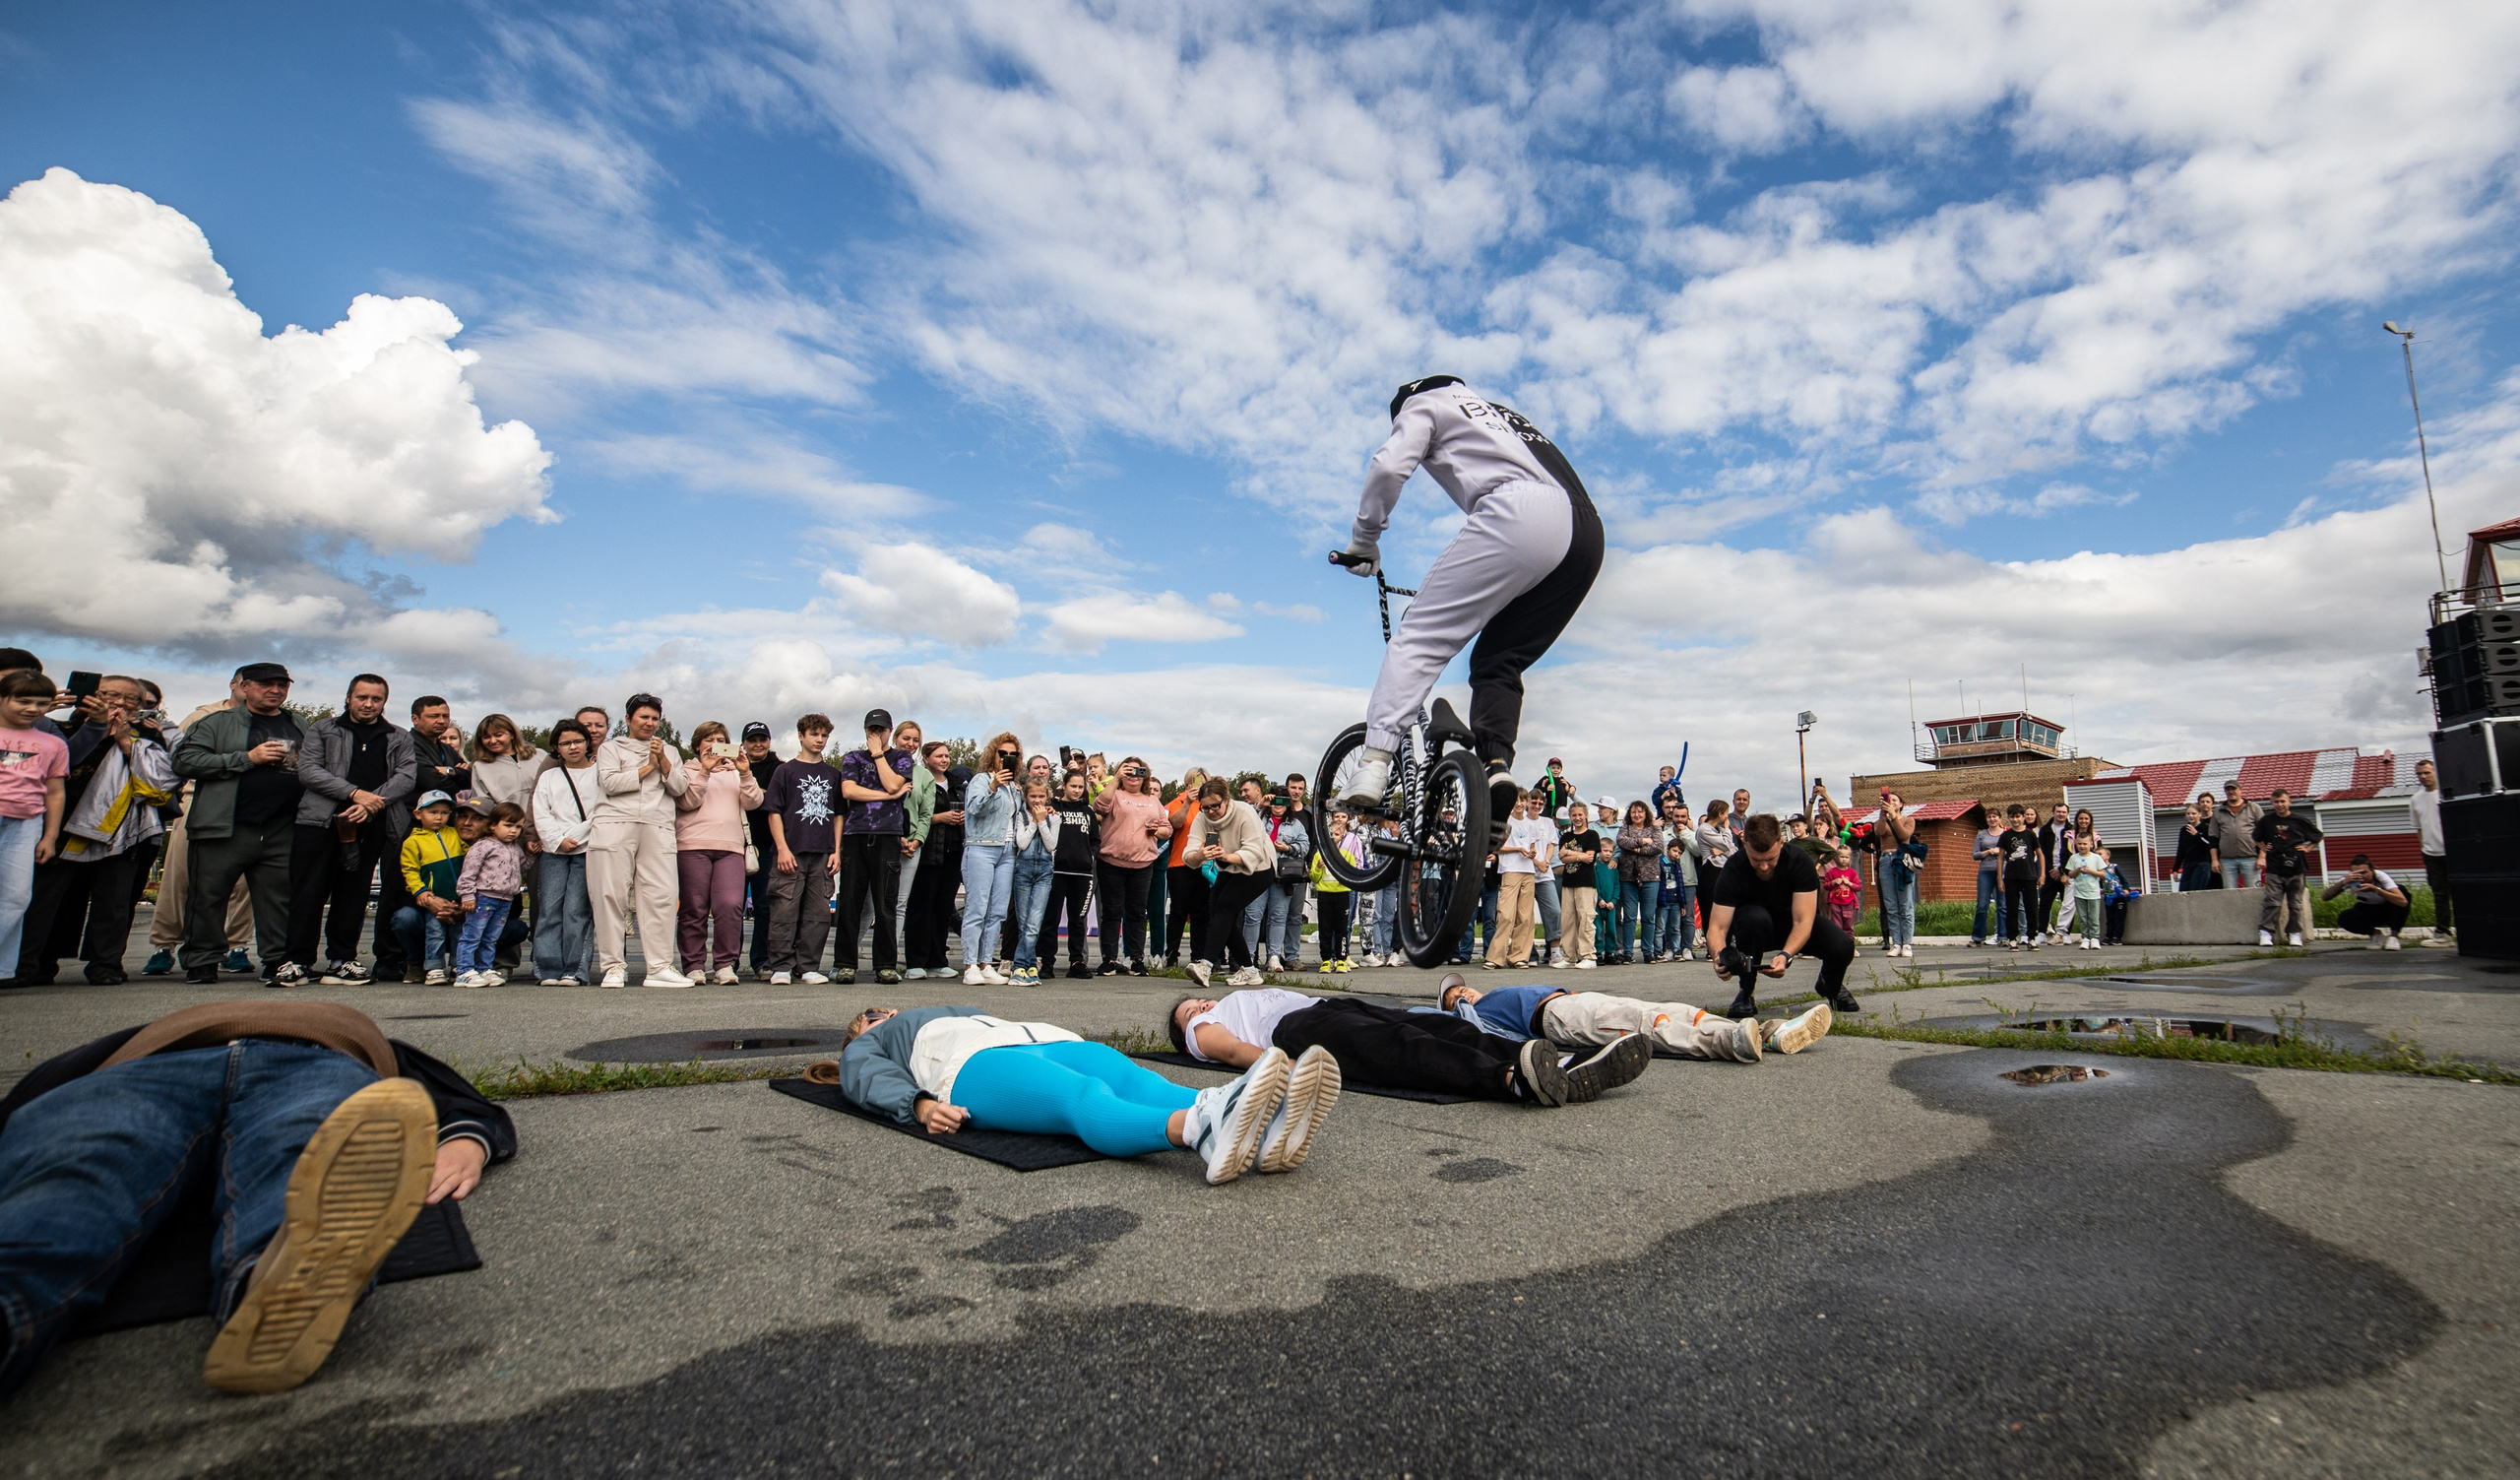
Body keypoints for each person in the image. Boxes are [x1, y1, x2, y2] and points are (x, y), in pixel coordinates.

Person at [0, 999, 514, 1396]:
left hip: (312, 1063)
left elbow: (441, 1092)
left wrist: (468, 1137)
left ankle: (273, 1281)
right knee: (82, 1161)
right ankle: (11, 1298)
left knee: (304, 1148)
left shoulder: (368, 1039)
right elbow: (43, 1098)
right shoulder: (131, 1042)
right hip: (150, 1069)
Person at [1334, 377, 1605, 842]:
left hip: (1524, 512)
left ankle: (1374, 762)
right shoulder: (1502, 415)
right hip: (1586, 534)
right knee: (1500, 660)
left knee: (1420, 634)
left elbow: (1388, 466)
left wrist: (1365, 540)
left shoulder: (1426, 405)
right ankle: (1495, 768)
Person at [837, 1004, 1334, 1185]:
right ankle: (1199, 1131)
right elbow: (863, 1076)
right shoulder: (872, 1044)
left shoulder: (937, 1009)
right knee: (1082, 1095)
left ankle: (1262, 1123)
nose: (886, 1012)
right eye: (873, 1015)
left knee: (1144, 1082)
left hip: (1040, 1037)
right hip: (969, 1068)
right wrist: (919, 1105)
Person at [1172, 986, 1648, 1106]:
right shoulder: (1202, 1029)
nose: (1199, 1004)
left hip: (1328, 1006)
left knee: (1442, 1027)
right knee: (1400, 1046)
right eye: (1190, 1008)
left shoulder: (1227, 998)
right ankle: (1512, 1080)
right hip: (1293, 1030)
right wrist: (1293, 1067)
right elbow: (1234, 1053)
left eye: (1197, 1000)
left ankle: (1561, 1064)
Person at [15, 675, 174, 987]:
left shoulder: (147, 739)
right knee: (46, 903)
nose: (119, 702)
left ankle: (106, 965)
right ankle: (35, 965)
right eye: (111, 694)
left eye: (131, 699)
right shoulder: (60, 730)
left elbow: (161, 786)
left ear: (141, 706)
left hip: (122, 834)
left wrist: (127, 744)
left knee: (113, 904)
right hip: (60, 829)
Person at [170, 662, 304, 986]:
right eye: (265, 684)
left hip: (281, 826)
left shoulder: (299, 724)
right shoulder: (216, 722)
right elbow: (184, 760)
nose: (275, 690)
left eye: (281, 684)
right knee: (208, 896)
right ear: (244, 687)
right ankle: (203, 962)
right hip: (224, 825)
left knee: (278, 899)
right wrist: (248, 758)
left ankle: (276, 961)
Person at [277, 676, 415, 989]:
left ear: (384, 702)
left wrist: (370, 805)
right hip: (320, 821)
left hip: (372, 824)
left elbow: (406, 777)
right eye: (362, 697)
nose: (368, 704)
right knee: (308, 892)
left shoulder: (398, 736)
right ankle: (297, 961)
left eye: (376, 699)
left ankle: (342, 960)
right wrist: (355, 794)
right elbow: (309, 770)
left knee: (353, 894)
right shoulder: (323, 729)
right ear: (349, 697)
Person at [142, 676, 257, 977]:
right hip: (197, 799)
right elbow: (177, 761)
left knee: (243, 882)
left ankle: (236, 946)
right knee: (180, 876)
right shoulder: (201, 716)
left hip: (246, 805)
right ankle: (163, 945)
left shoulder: (267, 722)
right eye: (247, 683)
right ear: (235, 684)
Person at [1703, 813, 1862, 1021]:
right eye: (1756, 860)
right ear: (1745, 843)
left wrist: (1786, 955)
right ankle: (1746, 992)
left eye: (1770, 859)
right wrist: (1718, 956)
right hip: (1755, 928)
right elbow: (1717, 927)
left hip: (1795, 925)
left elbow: (1803, 920)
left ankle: (1830, 985)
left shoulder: (1799, 861)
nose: (1763, 867)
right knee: (1754, 918)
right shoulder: (1733, 867)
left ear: (1781, 842)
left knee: (1843, 945)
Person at [1439, 977, 1829, 1062]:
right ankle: (1729, 1043)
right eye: (1455, 998)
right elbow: (1460, 1024)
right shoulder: (1478, 1014)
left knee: (1672, 1009)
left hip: (1573, 1001)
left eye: (1462, 989)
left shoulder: (1490, 994)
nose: (1464, 993)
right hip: (1556, 1019)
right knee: (1644, 1023)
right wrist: (1458, 1010)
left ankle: (1769, 1034)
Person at [590, 692, 694, 989]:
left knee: (661, 895)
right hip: (614, 823)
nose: (649, 723)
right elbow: (610, 784)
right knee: (610, 895)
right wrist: (647, 767)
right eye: (643, 717)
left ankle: (659, 966)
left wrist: (661, 760)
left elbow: (679, 787)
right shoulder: (611, 748)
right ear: (628, 719)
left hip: (657, 825)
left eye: (655, 719)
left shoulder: (670, 751)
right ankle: (613, 967)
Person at [672, 721, 765, 984]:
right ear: (698, 744)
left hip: (731, 848)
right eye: (708, 739)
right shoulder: (687, 770)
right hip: (692, 846)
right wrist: (704, 770)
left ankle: (725, 964)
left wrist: (746, 773)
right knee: (694, 908)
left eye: (720, 739)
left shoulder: (735, 772)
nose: (714, 744)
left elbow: (754, 801)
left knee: (730, 905)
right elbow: (687, 801)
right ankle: (694, 965)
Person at [833, 709, 914, 987]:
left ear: (890, 730)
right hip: (856, 834)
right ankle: (844, 963)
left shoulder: (901, 758)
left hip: (888, 834)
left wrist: (878, 755)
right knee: (849, 902)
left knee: (885, 903)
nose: (876, 734)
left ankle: (885, 965)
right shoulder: (853, 757)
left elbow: (894, 782)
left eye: (881, 729)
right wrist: (888, 795)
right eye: (872, 730)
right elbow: (849, 791)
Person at [0, 671, 71, 986]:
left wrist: (50, 837)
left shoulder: (53, 743)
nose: (33, 708)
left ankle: (3, 970)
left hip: (27, 824)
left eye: (42, 703)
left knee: (17, 898)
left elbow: (55, 792)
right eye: (23, 700)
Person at [761, 714, 840, 987]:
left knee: (818, 915)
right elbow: (773, 812)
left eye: (824, 735)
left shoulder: (833, 774)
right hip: (791, 852)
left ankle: (808, 967)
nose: (819, 740)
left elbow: (840, 815)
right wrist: (782, 849)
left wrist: (836, 850)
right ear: (801, 736)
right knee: (784, 911)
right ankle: (780, 966)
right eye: (814, 734)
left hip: (823, 853)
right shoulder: (785, 771)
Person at [1182, 780, 1277, 989]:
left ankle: (1205, 965)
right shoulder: (1202, 818)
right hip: (1228, 867)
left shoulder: (1244, 812)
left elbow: (1254, 852)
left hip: (1260, 867)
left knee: (1226, 906)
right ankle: (1250, 971)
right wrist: (1199, 855)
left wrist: (1226, 855)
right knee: (1218, 914)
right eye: (1205, 807)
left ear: (1226, 799)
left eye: (1215, 806)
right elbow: (1188, 855)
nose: (1210, 812)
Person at [530, 719, 599, 985]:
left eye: (577, 741)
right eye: (565, 743)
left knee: (576, 911)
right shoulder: (549, 776)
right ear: (556, 748)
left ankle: (574, 969)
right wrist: (558, 840)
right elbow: (541, 811)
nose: (572, 747)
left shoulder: (599, 774)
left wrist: (575, 837)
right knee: (549, 909)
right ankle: (547, 969)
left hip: (587, 849)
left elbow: (600, 811)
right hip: (553, 851)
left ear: (587, 743)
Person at [1090, 756, 1171, 977]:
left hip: (1142, 864)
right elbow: (1099, 806)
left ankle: (1136, 959)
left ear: (1145, 775)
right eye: (1129, 772)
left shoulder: (1152, 800)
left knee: (1137, 913)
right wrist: (1115, 780)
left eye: (1139, 772)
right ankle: (1109, 959)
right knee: (1112, 912)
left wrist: (1157, 831)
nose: (1134, 777)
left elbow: (1167, 829)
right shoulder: (1114, 794)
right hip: (1112, 862)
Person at [958, 732, 1023, 987]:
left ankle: (985, 963)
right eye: (1002, 753)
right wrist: (993, 786)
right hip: (981, 847)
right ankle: (969, 965)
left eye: (1012, 755)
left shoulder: (1015, 787)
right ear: (993, 755)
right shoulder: (980, 780)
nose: (1007, 758)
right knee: (977, 907)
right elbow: (974, 809)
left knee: (996, 911)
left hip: (1008, 850)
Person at [901, 740, 968, 981]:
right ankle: (916, 961)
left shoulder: (957, 785)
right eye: (939, 756)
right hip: (927, 849)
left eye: (947, 756)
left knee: (943, 907)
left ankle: (938, 960)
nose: (944, 760)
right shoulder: (921, 780)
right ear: (926, 758)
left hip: (953, 851)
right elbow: (921, 814)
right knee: (921, 906)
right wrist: (941, 818)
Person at [392, 792, 466, 983]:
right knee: (435, 932)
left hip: (457, 896)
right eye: (433, 812)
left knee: (460, 932)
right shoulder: (413, 841)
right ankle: (433, 968)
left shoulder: (454, 834)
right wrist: (421, 891)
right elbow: (410, 870)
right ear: (418, 814)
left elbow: (469, 855)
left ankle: (460, 966)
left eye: (444, 813)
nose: (439, 817)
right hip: (433, 897)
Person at [453, 802, 529, 986]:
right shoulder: (483, 846)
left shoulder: (515, 849)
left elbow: (524, 866)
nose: (513, 831)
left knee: (491, 937)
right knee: (473, 934)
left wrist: (532, 854)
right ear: (493, 825)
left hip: (505, 899)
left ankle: (484, 967)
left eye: (518, 827)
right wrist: (467, 895)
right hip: (483, 897)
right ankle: (463, 970)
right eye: (508, 825)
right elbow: (468, 873)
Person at [2252, 788, 2322, 948]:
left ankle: (2294, 933)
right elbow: (2256, 837)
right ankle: (2266, 932)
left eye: (2282, 801)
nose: (2280, 805)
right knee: (2273, 901)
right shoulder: (2266, 821)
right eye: (2276, 802)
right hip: (2274, 868)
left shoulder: (2299, 820)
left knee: (2295, 904)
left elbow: (2318, 836)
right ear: (2272, 803)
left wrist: (2308, 848)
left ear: (2289, 802)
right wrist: (2264, 848)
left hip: (2296, 867)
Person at [1246, 792, 1307, 972]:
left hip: (1282, 876)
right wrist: (1261, 805)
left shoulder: (1296, 825)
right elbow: (1245, 820)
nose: (1278, 805)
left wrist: (1288, 848)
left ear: (1288, 804)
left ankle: (1273, 957)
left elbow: (1305, 845)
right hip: (1258, 872)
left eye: (1282, 801)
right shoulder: (1259, 819)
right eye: (1274, 801)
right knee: (1252, 916)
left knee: (1278, 917)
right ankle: (1248, 957)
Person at [739, 723, 783, 974]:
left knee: (765, 906)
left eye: (762, 739)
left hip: (767, 845)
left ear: (769, 741)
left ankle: (760, 961)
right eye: (752, 739)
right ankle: (729, 962)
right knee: (732, 906)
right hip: (735, 843)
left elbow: (778, 800)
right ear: (743, 743)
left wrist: (754, 793)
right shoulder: (730, 766)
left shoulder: (780, 769)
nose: (758, 744)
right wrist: (760, 793)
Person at [1482, 792, 1544, 968]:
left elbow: (1532, 848)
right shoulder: (1505, 822)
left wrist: (1532, 853)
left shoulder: (1531, 824)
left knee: (1525, 917)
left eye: (1522, 800)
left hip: (1528, 871)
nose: (1519, 803)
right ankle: (1495, 958)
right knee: (1506, 915)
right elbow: (1498, 848)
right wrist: (1518, 849)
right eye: (1516, 800)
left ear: (1527, 803)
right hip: (1510, 870)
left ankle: (1518, 957)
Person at [1007, 778, 1059, 986]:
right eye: (1032, 796)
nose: (1037, 800)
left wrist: (1042, 821)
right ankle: (1027, 966)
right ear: (1025, 797)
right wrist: (1034, 822)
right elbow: (1021, 842)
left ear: (1047, 797)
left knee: (1034, 923)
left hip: (1044, 872)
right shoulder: (1021, 816)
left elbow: (1051, 845)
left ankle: (1019, 965)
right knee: (1023, 922)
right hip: (1023, 870)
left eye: (1040, 796)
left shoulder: (1054, 818)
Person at [1163, 767, 1210, 968]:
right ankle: (1171, 954)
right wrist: (1189, 802)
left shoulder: (1210, 804)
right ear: (1188, 783)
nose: (1199, 785)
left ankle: (1198, 955)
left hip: (1204, 863)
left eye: (1204, 781)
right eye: (1195, 781)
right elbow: (1175, 824)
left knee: (1201, 912)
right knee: (1179, 911)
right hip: (1179, 863)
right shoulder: (1178, 802)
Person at [2322, 854, 2410, 950]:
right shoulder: (2350, 880)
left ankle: (2394, 936)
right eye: (2356, 873)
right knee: (2344, 917)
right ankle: (2376, 935)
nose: (2360, 876)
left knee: (2402, 890)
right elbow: (2325, 897)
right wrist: (2343, 883)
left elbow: (2403, 902)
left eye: (2364, 872)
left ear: (2372, 871)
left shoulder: (2380, 876)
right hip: (2368, 909)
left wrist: (2375, 889)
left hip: (2388, 909)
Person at [1312, 811, 1362, 974]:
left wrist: (1341, 871)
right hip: (1325, 895)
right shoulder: (1319, 855)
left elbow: (1351, 875)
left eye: (1337, 834)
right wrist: (1319, 867)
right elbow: (1314, 877)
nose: (1333, 837)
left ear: (1342, 836)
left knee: (1342, 928)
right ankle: (1326, 959)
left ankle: (1341, 959)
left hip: (1342, 895)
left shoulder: (1347, 855)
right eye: (1331, 834)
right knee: (1325, 928)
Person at [1871, 791, 1921, 958]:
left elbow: (1904, 835)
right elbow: (1878, 833)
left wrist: (1894, 817)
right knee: (1891, 905)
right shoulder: (1881, 820)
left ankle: (1907, 943)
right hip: (1886, 859)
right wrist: (1883, 814)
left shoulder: (1908, 820)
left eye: (1894, 800)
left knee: (1905, 904)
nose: (1891, 802)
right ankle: (1896, 943)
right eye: (1888, 800)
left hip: (1901, 860)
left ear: (1900, 805)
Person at [1613, 800, 1662, 966]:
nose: (1637, 815)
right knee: (1629, 917)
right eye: (1634, 812)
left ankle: (1648, 952)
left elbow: (1658, 847)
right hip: (1628, 877)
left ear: (1645, 813)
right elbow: (1622, 842)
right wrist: (1644, 841)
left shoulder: (1654, 828)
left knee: (1648, 917)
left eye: (1640, 811)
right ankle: (1628, 953)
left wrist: (1636, 848)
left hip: (1650, 877)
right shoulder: (1624, 827)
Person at [2411, 759, 2453, 945]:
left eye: (2427, 772)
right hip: (2432, 854)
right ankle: (2443, 934)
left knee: (2466, 890)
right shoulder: (2415, 799)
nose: (2423, 777)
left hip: (2454, 852)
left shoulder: (2448, 793)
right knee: (2440, 894)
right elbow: (2418, 828)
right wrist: (2423, 850)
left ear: (2435, 772)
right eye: (2420, 774)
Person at [1657, 799, 1704, 962]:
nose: (1679, 819)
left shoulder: (1692, 835)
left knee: (1689, 918)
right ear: (1672, 817)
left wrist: (1685, 833)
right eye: (1677, 816)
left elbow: (1698, 852)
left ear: (1687, 817)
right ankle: (1671, 948)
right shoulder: (1664, 835)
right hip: (1670, 882)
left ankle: (1687, 948)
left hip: (1688, 881)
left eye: (1683, 816)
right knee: (1671, 918)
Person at [1556, 804, 1601, 969]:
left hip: (1586, 883)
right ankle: (1569, 956)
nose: (1577, 818)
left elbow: (1590, 858)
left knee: (1585, 919)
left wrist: (1570, 853)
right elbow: (1561, 856)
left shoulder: (1592, 835)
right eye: (1574, 815)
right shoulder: (1566, 837)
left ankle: (1588, 956)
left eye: (1580, 815)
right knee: (1567, 920)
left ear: (1586, 815)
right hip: (1569, 882)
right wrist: (1578, 855)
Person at [1996, 804, 2045, 950]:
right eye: (2012, 817)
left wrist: (2042, 874)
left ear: (2023, 817)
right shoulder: (2006, 835)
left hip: (2029, 876)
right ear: (2008, 818)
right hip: (2011, 877)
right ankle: (2012, 938)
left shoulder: (2030, 834)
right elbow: (2000, 857)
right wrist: (2000, 878)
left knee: (2031, 908)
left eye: (2018, 816)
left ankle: (2031, 938)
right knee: (2012, 908)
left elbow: (2040, 854)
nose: (2015, 819)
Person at [407, 697, 471, 799]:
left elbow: (470, 778)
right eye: (434, 716)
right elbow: (432, 782)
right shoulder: (407, 745)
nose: (442, 721)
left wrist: (449, 771)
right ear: (415, 719)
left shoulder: (447, 749)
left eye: (446, 716)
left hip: (448, 811)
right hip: (415, 811)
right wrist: (457, 781)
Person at [2208, 783, 2264, 891]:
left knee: (2253, 892)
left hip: (2251, 858)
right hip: (2226, 860)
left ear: (2240, 790)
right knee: (2229, 894)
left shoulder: (2253, 808)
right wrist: (2214, 860)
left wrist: (2262, 857)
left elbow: (2264, 834)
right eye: (2228, 789)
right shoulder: (2218, 811)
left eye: (2233, 789)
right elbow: (2213, 838)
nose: (2231, 792)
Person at [2063, 830, 2109, 950]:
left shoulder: (2096, 858)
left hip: (2093, 893)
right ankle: (2085, 938)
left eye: (2085, 844)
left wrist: (2091, 872)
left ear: (2091, 845)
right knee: (2083, 917)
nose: (2082, 846)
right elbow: (2070, 875)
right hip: (2079, 893)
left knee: (2093, 917)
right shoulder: (2074, 858)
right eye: (2079, 844)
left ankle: (2094, 938)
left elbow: (2103, 874)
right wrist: (2078, 870)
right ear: (2075, 844)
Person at [1968, 812, 2005, 945]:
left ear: (2000, 818)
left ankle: (2003, 937)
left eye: (1995, 816)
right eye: (1989, 817)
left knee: (2002, 905)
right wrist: (1988, 852)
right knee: (1982, 905)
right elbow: (1975, 855)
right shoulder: (1981, 835)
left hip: (2002, 872)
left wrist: (1999, 851)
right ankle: (1978, 937)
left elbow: (2011, 853)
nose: (1992, 819)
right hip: (1985, 872)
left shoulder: (2005, 834)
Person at [2174, 804, 2219, 895]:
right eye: (2188, 814)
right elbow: (2181, 849)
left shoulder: (2206, 828)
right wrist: (2176, 869)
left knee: (2195, 892)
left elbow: (2209, 845)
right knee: (2183, 892)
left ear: (2200, 814)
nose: (2191, 816)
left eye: (2193, 814)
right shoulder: (2184, 830)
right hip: (2188, 864)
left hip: (2202, 864)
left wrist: (2197, 835)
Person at [1822, 846, 1860, 938]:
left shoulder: (1852, 873)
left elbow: (1858, 887)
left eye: (1846, 857)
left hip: (1849, 903)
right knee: (1837, 926)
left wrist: (1849, 883)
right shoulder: (1832, 872)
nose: (1844, 859)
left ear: (1850, 858)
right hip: (1835, 902)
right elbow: (1826, 886)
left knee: (1848, 927)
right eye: (1841, 856)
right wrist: (1833, 882)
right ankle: (1839, 947)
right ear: (1836, 858)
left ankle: (1851, 947)